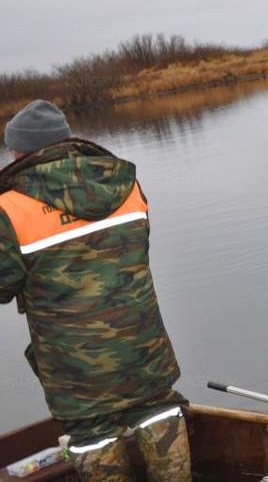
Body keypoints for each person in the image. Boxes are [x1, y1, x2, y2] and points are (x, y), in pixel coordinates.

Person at [0, 100, 190, 481]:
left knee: (93, 435)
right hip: (144, 349)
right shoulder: (125, 184)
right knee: (158, 411)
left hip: (76, 370)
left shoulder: (9, 209)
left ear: (20, 152)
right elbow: (136, 250)